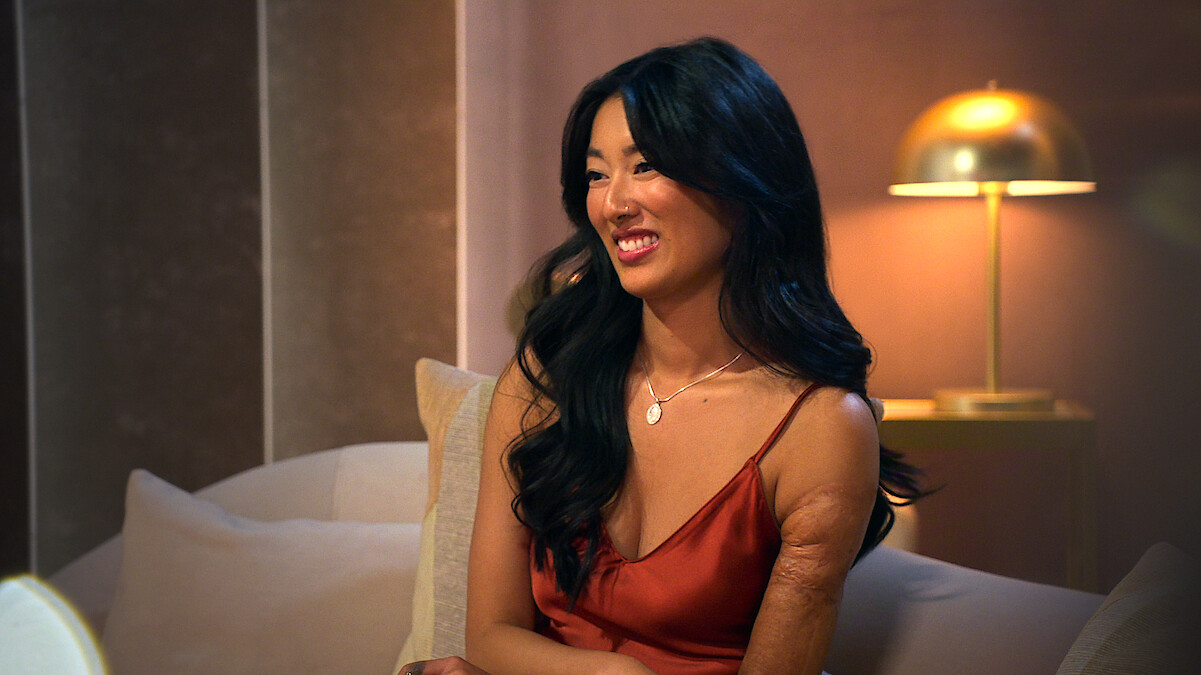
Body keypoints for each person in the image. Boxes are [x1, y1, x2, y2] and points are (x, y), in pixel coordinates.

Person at [401, 36, 922, 675]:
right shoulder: (550, 373)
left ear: (742, 183)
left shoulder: (821, 429)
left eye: (644, 166)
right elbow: (490, 635)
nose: (614, 204)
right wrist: (613, 674)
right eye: (597, 174)